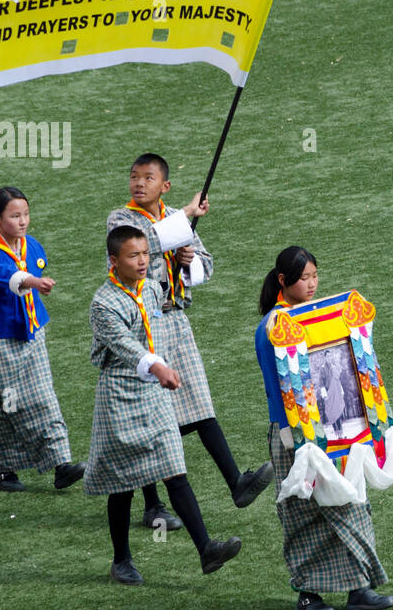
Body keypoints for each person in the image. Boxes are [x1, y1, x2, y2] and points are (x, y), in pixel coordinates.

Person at [107, 153, 272, 532]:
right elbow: (141, 243)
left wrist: (188, 258)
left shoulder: (176, 220)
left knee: (199, 402)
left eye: (148, 178)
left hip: (175, 318)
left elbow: (205, 268)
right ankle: (152, 504)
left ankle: (237, 483)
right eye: (134, 176)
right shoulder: (122, 218)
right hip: (142, 323)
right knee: (152, 416)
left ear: (164, 185)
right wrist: (183, 217)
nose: (138, 183)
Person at [84, 225, 241, 585]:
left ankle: (206, 549)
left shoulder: (152, 289)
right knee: (123, 481)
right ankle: (121, 559)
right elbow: (125, 346)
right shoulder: (103, 304)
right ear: (113, 261)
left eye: (145, 254)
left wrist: (184, 265)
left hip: (154, 391)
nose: (142, 261)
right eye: (133, 255)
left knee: (175, 466)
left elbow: (175, 304)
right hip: (121, 393)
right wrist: (158, 366)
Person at [255, 246, 393, 610]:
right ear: (283, 281)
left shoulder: (318, 319)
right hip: (293, 434)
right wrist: (293, 431)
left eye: (315, 276)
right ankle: (307, 593)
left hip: (338, 427)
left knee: (351, 499)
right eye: (304, 279)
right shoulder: (272, 327)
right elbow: (278, 387)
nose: (312, 284)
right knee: (304, 511)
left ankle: (358, 588)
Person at [0, 187, 85, 492]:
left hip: (33, 334)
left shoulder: (31, 246)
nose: (23, 221)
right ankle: (6, 470)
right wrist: (33, 281)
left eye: (26, 214)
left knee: (44, 396)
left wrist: (34, 280)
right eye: (15, 216)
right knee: (2, 405)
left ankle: (61, 463)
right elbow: (11, 278)